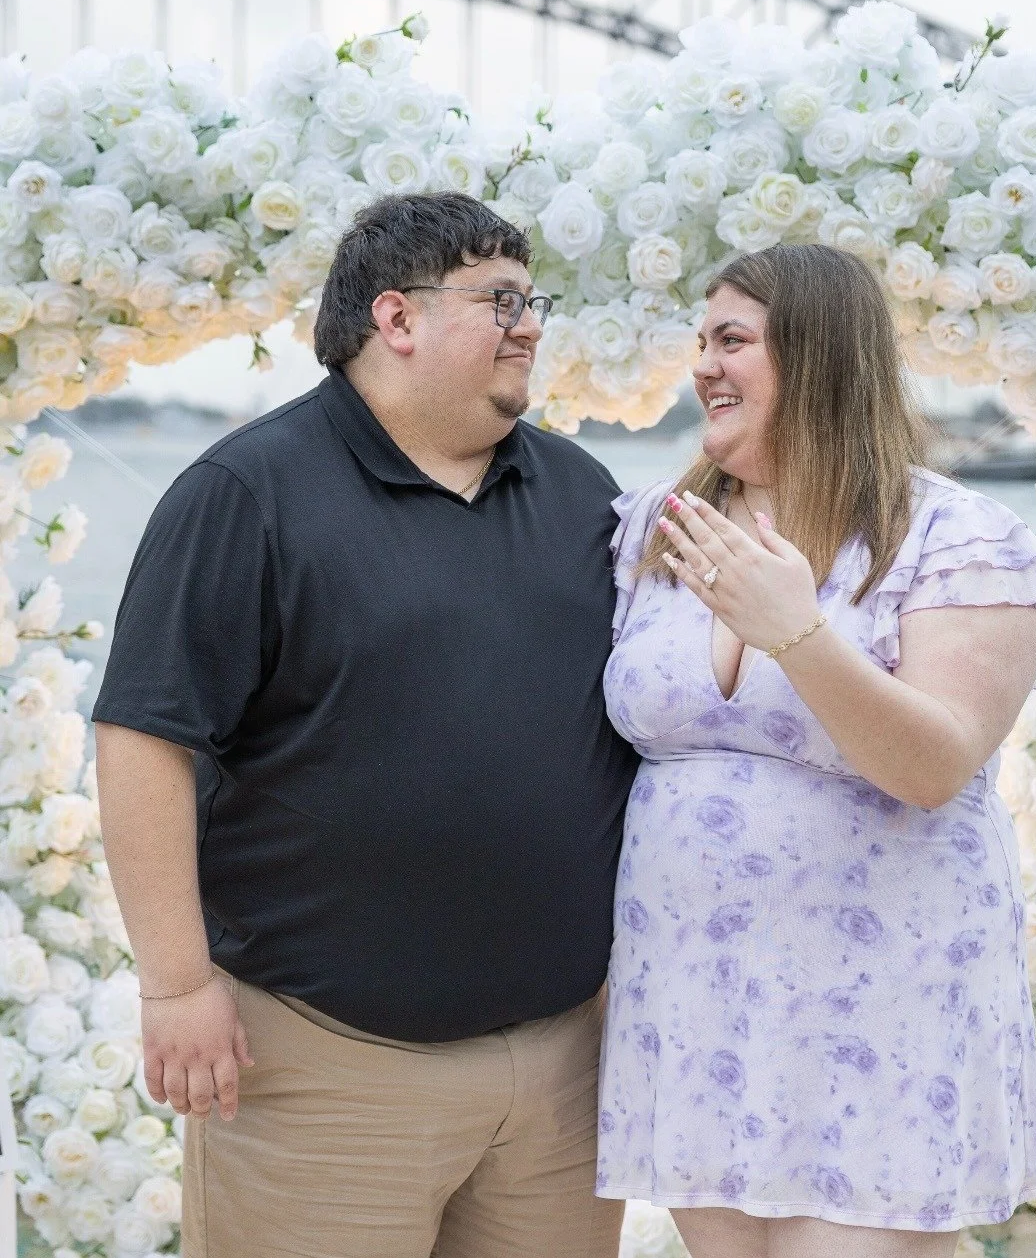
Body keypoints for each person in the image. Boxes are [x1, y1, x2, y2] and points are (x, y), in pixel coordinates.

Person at [92, 192, 635, 1258]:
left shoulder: (580, 491)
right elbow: (145, 738)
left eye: (535, 301)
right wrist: (177, 982)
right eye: (502, 299)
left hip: (567, 1069)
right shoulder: (243, 494)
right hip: (326, 1070)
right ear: (398, 319)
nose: (531, 323)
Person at [596, 243, 1036, 1258]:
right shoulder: (652, 535)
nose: (703, 367)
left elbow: (937, 765)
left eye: (733, 341)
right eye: (700, 341)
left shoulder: (953, 538)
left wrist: (796, 632)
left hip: (881, 1016)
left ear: (817, 355)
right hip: (696, 1006)